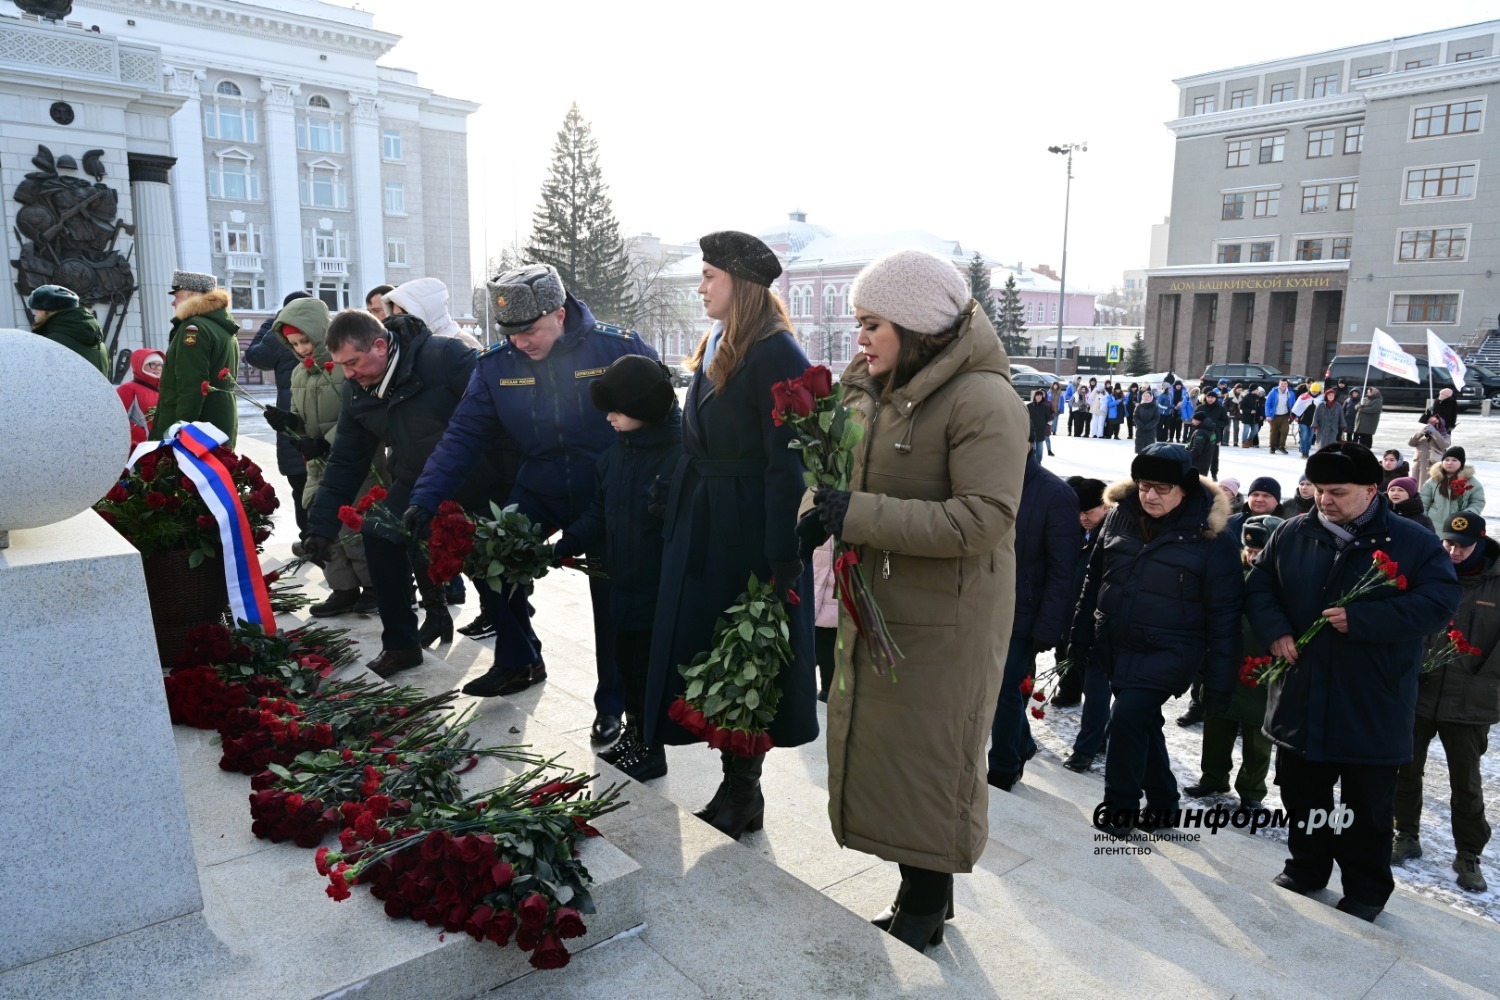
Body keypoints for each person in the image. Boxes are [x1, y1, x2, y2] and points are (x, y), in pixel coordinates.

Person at [807, 247, 1027, 953]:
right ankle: (924, 894)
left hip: (946, 621)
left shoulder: (983, 398)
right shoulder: (879, 387)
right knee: (890, 756)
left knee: (931, 762)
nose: (860, 337)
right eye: (859, 323)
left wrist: (854, 513)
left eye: (873, 323)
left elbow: (982, 519)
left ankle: (926, 908)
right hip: (887, 602)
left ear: (918, 324)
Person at [406, 264, 652, 736]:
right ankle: (519, 660)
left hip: (610, 489)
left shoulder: (617, 348)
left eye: (531, 331)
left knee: (612, 596)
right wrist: (426, 496)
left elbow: (662, 419)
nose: (521, 343)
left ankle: (613, 702)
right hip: (540, 484)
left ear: (559, 315)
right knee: (495, 558)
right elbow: (463, 435)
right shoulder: (497, 365)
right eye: (510, 333)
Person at [645, 231, 818, 842]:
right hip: (712, 519)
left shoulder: (776, 354)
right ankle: (736, 784)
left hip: (747, 531)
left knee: (749, 658)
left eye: (710, 276)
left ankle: (744, 789)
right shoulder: (722, 340)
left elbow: (788, 466)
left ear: (740, 286)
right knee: (720, 656)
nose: (700, 286)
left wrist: (781, 552)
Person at [1246, 442, 1460, 922]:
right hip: (1301, 692)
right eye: (1320, 491)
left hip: (1372, 698)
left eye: (1338, 492)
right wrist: (1277, 631)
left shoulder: (1411, 540)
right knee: (1303, 795)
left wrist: (1363, 620)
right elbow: (1260, 587)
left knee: (1366, 806)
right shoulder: (1293, 533)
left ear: (1371, 490)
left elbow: (1440, 602)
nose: (1325, 500)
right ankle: (1306, 868)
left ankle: (1365, 890)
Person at [306, 309, 512, 679]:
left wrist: (508, 483)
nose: (348, 374)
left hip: (477, 478)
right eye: (341, 366)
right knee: (378, 533)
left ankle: (519, 656)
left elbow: (500, 419)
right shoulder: (358, 390)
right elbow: (346, 461)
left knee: (487, 564)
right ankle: (401, 645)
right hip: (414, 481)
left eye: (352, 362)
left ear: (380, 345)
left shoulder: (444, 357)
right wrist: (320, 526)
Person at [1071, 443, 1243, 838]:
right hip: (1116, 641)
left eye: (1162, 488)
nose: (1150, 495)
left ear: (1183, 488)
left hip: (1172, 648)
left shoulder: (1211, 536)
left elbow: (1225, 615)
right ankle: (1164, 803)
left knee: (1127, 719)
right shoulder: (1118, 518)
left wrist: (1219, 680)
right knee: (1143, 723)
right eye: (1145, 485)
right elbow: (1094, 580)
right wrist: (1080, 634)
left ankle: (1120, 810)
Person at [552, 355, 682, 782]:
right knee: (624, 663)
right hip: (619, 581)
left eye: (617, 410)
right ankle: (634, 732)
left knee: (650, 671)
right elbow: (599, 510)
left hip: (658, 586)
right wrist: (567, 542)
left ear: (644, 409)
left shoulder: (679, 457)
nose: (608, 418)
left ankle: (652, 747)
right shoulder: (615, 455)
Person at [1393, 513, 1499, 894]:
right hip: (1420, 692)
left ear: (1481, 542)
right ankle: (1405, 833)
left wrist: (1478, 675)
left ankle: (1468, 852)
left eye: (1463, 546)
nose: (1453, 552)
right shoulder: (1430, 570)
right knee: (1405, 766)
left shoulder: (1495, 583)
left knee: (1465, 782)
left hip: (1470, 701)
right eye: (1448, 544)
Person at [262, 297, 383, 620]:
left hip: (356, 462)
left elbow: (357, 415)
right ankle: (342, 588)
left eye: (305, 340)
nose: (301, 349)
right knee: (323, 526)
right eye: (294, 343)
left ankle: (374, 586)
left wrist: (326, 443)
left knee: (354, 528)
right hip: (318, 464)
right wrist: (290, 423)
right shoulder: (300, 374)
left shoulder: (344, 368)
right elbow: (304, 417)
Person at [987, 451, 1078, 791]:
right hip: (982, 604)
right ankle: (1022, 745)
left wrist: (1048, 628)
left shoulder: (1055, 494)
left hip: (1023, 611)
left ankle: (1005, 766)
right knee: (991, 686)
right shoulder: (983, 479)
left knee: (1003, 687)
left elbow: (1063, 570)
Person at [1185, 513, 1282, 809]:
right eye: (1249, 551)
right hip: (1226, 661)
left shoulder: (1283, 582)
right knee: (1217, 724)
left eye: (1259, 552)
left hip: (1261, 667)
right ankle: (1212, 777)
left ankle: (1252, 792)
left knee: (1257, 735)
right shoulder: (1230, 573)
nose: (1252, 557)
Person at [245, 290, 314, 539]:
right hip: (303, 417)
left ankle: (309, 539)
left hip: (290, 414)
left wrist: (272, 321)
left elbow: (254, 356)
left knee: (300, 484)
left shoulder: (281, 333)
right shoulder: (320, 331)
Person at [153, 270, 239, 446]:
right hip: (218, 419)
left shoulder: (194, 328)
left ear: (193, 296)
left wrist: (179, 428)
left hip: (196, 428)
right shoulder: (221, 325)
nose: (173, 302)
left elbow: (192, 384)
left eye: (177, 296)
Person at [1054, 476, 1111, 715]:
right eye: (1078, 512)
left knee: (1091, 668)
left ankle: (1097, 722)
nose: (1082, 518)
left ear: (1106, 506)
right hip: (1068, 602)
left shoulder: (1112, 533)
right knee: (1063, 648)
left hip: (1095, 608)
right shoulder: (1071, 529)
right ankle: (1068, 689)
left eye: (1088, 512)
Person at [26, 284, 109, 376]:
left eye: (37, 310)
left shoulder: (51, 342)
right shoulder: (99, 343)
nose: (36, 314)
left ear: (44, 311)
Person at [385, 277, 483, 351]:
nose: (397, 321)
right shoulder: (416, 345)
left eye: (402, 315)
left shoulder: (462, 345)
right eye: (394, 316)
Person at [1420, 445, 1486, 528]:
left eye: (1454, 460)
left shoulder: (1471, 482)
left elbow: (1478, 502)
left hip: (1459, 524)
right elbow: (1423, 501)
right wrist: (1424, 520)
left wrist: (1468, 513)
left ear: (1461, 463)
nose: (1449, 463)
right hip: (1434, 524)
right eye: (1446, 460)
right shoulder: (1434, 480)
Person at [116, 348, 163, 448]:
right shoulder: (127, 389)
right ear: (140, 365)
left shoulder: (166, 389)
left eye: (160, 365)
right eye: (152, 364)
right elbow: (118, 420)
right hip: (140, 451)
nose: (158, 368)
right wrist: (141, 438)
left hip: (163, 449)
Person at [1227, 476, 1284, 544]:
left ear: (1277, 501)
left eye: (1266, 496)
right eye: (1255, 495)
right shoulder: (1229, 523)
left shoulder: (1285, 529)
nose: (1259, 500)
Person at [1408, 415, 1451, 479]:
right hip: (1419, 467)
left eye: (1436, 423)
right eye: (1431, 423)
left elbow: (1443, 445)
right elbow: (1411, 443)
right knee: (1417, 486)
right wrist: (1421, 432)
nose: (1432, 425)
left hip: (1433, 466)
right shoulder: (1422, 435)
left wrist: (1434, 432)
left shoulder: (1446, 436)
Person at [1265, 378, 1295, 455]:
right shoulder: (1273, 392)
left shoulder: (1290, 393)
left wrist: (1294, 415)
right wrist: (1268, 415)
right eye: (1282, 384)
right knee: (1274, 432)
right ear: (1279, 384)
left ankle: (1281, 446)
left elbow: (1294, 405)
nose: (1283, 385)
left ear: (1287, 384)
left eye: (1285, 384)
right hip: (1274, 415)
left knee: (1285, 431)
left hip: (1285, 415)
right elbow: (1267, 404)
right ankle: (1272, 447)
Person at [1026, 388, 1051, 464]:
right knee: (1032, 448)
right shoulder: (1029, 406)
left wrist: (1044, 425)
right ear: (1034, 397)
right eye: (1037, 396)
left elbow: (1048, 419)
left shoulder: (1045, 407)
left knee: (1040, 448)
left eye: (1040, 396)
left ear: (1042, 397)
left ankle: (1038, 463)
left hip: (1041, 430)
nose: (1038, 397)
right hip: (1031, 431)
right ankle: (1031, 463)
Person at [1133, 389, 1159, 454]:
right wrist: (1141, 425)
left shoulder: (1155, 407)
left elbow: (1156, 418)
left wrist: (1148, 426)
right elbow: (1135, 416)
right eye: (1145, 396)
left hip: (1150, 431)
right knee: (1140, 450)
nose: (1146, 398)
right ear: (1142, 397)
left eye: (1148, 396)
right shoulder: (1139, 406)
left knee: (1149, 450)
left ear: (1151, 397)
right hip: (1140, 430)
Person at [1295, 384, 1318, 459]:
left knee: (1310, 438)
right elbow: (1297, 406)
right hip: (1303, 420)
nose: (1314, 392)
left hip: (1313, 421)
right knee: (1304, 436)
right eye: (1313, 391)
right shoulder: (1304, 396)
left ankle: (1306, 450)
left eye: (1316, 391)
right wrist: (1295, 416)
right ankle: (1304, 452)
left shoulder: (1320, 399)